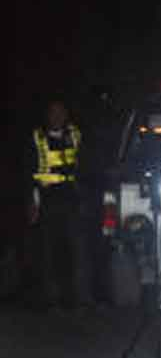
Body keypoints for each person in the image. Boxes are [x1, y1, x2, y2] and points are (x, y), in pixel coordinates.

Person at [27, 99, 92, 310]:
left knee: (78, 249)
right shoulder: (37, 138)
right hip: (48, 199)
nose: (57, 117)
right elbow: (30, 172)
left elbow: (85, 164)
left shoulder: (75, 134)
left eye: (61, 112)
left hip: (72, 198)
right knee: (49, 252)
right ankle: (51, 299)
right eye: (53, 112)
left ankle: (80, 297)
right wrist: (34, 202)